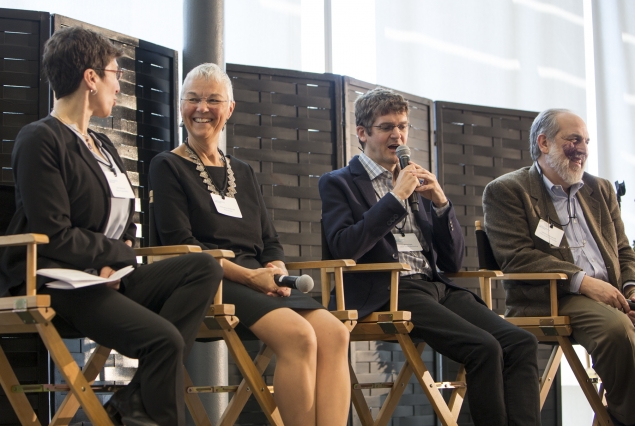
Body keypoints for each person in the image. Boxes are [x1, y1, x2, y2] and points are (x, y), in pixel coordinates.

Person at [0, 27, 223, 426]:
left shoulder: (102, 145)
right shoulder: (40, 139)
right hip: (58, 280)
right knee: (165, 340)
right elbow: (54, 232)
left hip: (108, 274)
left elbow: (127, 221)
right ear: (90, 78)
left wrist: (118, 259)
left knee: (204, 266)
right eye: (115, 74)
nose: (118, 86)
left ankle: (133, 403)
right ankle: (137, 410)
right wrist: (118, 254)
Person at [319, 87, 541, 426]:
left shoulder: (415, 179)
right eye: (386, 126)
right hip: (388, 290)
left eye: (403, 126)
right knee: (484, 348)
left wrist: (440, 204)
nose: (397, 134)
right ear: (362, 133)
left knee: (520, 342)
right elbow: (344, 246)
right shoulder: (339, 183)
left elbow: (452, 262)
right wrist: (394, 199)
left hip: (435, 285)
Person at [148, 63, 350, 426]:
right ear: (180, 106)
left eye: (213, 100)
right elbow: (181, 244)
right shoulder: (167, 166)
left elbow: (269, 241)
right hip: (208, 278)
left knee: (335, 333)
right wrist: (250, 277)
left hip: (257, 278)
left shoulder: (242, 171)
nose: (202, 108)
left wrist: (277, 269)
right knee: (299, 336)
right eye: (192, 99)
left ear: (230, 108)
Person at [483, 108, 635, 426]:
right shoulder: (507, 190)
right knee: (617, 330)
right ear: (543, 142)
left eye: (586, 141)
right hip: (551, 297)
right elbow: (517, 257)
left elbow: (623, 251)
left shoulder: (601, 189)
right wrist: (582, 282)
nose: (582, 149)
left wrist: (631, 288)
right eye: (573, 139)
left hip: (613, 294)